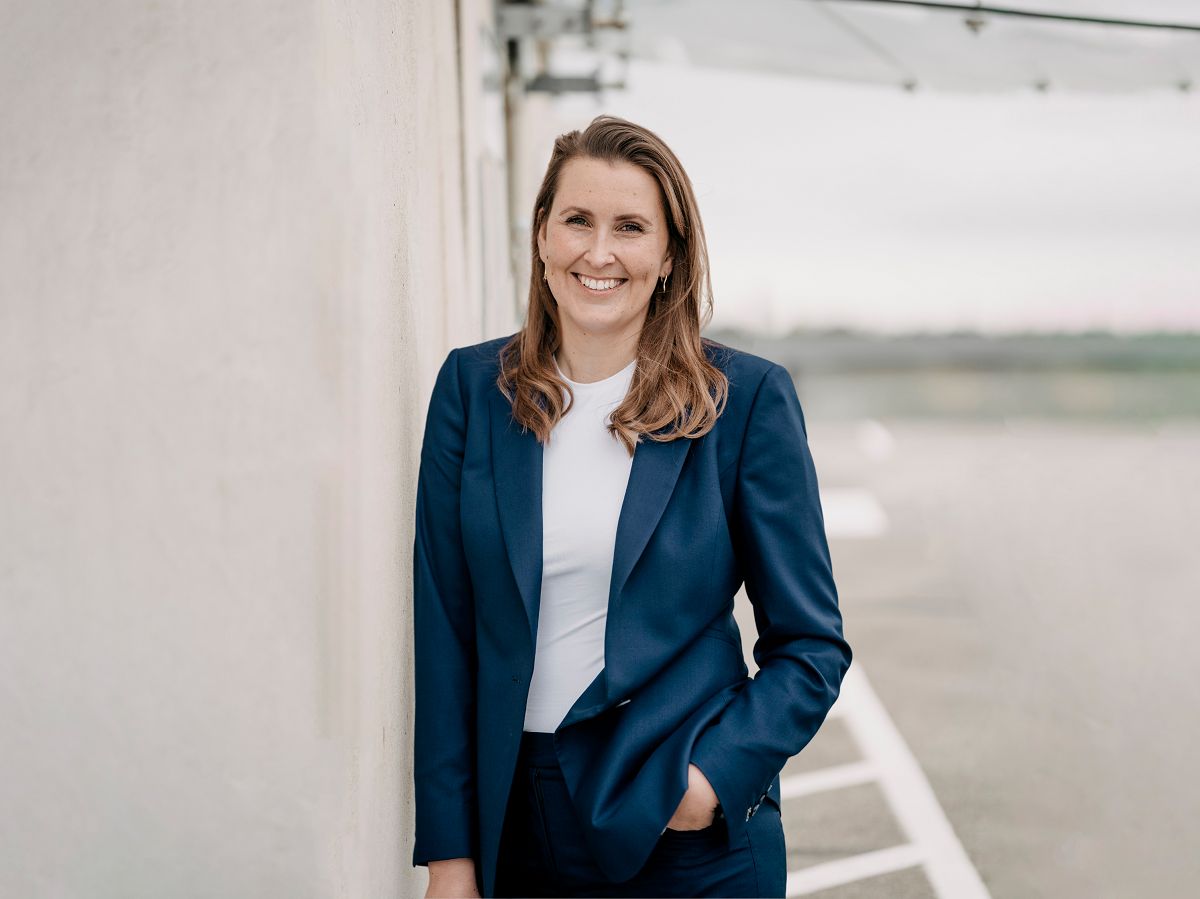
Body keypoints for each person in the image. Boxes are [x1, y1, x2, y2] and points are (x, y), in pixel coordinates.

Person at [412, 114, 851, 898]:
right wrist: (450, 853)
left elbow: (812, 646)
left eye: (631, 227)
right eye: (577, 220)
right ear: (542, 234)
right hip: (513, 825)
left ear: (669, 253)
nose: (600, 251)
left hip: (681, 831)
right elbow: (445, 632)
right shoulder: (471, 392)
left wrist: (710, 779)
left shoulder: (744, 403)